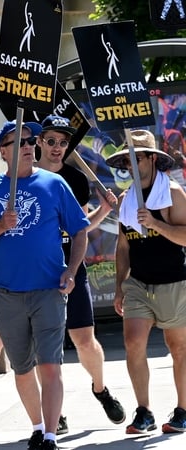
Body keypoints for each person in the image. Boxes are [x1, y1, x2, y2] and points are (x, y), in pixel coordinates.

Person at [0, 120, 90, 450]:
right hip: (7, 295)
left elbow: (80, 230)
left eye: (29, 139)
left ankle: (49, 436)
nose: (26, 144)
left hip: (49, 291)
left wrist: (72, 270)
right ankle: (37, 426)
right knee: (23, 369)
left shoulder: (54, 184)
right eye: (16, 140)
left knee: (50, 365)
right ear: (3, 151)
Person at [35, 114, 125, 433]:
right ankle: (54, 410)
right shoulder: (25, 178)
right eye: (52, 141)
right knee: (45, 346)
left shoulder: (75, 178)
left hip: (72, 265)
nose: (58, 147)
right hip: (37, 271)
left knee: (85, 341)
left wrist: (103, 210)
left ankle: (100, 388)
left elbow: (80, 228)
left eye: (64, 142)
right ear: (39, 142)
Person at [108, 129, 186, 434]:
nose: (130, 165)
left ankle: (183, 409)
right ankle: (144, 411)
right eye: (127, 160)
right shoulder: (127, 200)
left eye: (136, 158)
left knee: (178, 348)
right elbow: (124, 246)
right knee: (132, 342)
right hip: (138, 283)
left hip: (174, 282)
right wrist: (119, 286)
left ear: (152, 159)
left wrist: (154, 222)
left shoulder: (174, 194)